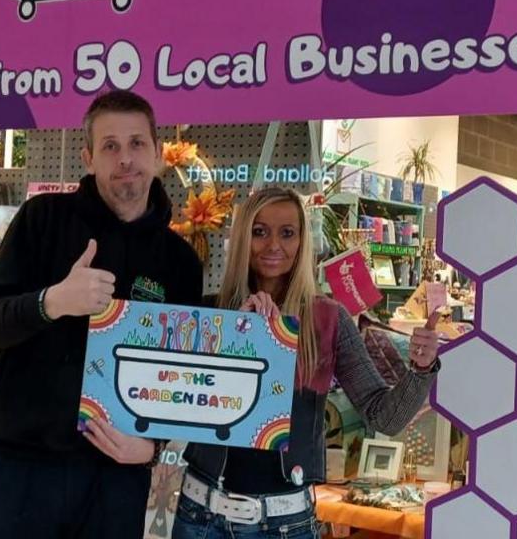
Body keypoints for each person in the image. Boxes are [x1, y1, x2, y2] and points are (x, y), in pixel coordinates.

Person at [0, 90, 203, 539]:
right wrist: (51, 302)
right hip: (20, 471)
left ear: (158, 153)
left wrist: (151, 448)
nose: (125, 159)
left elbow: (179, 378)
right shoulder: (43, 219)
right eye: (110, 146)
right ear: (89, 157)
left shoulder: (181, 261)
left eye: (136, 144)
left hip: (115, 479)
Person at [173, 188, 441, 539]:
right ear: (241, 238)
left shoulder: (328, 320)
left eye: (287, 233)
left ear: (302, 241)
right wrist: (234, 339)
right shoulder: (209, 313)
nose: (273, 245)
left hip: (286, 523)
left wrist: (421, 369)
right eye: (259, 231)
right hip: (201, 516)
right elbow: (176, 407)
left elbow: (385, 417)